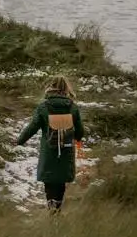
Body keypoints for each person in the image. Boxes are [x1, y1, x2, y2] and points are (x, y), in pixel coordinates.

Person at [16, 75, 85, 212]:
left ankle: (51, 207)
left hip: (49, 151)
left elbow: (32, 128)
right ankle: (57, 208)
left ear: (50, 87)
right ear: (66, 89)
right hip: (66, 150)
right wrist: (74, 136)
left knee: (50, 179)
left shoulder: (43, 107)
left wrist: (19, 141)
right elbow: (80, 133)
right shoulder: (73, 108)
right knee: (61, 180)